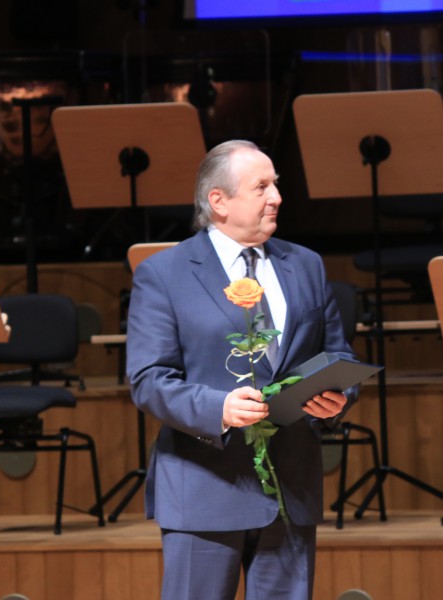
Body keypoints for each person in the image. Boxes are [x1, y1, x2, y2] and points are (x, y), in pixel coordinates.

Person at [126, 139, 358, 600]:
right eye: (261, 187)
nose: (277, 197)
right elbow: (149, 380)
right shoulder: (164, 273)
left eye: (276, 185)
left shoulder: (305, 264)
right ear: (219, 201)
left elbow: (337, 355)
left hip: (290, 488)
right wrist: (221, 408)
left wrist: (338, 397)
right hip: (205, 489)